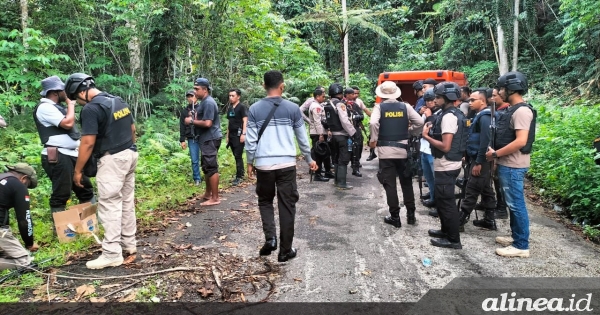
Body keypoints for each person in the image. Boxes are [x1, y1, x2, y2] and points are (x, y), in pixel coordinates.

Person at [65, 73, 138, 269]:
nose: (77, 102)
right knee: (126, 202)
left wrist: (78, 171)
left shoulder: (91, 108)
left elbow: (87, 142)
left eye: (75, 99)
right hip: (129, 154)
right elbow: (132, 129)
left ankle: (112, 253)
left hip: (112, 160)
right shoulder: (117, 100)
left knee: (109, 205)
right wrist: (130, 149)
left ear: (82, 92)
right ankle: (129, 244)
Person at [245, 70, 317, 262]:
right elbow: (302, 138)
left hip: (264, 166)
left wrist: (250, 162)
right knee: (287, 206)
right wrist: (309, 159)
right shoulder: (293, 108)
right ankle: (285, 250)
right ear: (282, 86)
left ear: (263, 86)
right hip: (286, 164)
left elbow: (251, 141)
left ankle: (270, 238)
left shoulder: (254, 109)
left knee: (265, 201)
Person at [486, 71, 536, 258]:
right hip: (508, 163)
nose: (499, 92)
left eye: (501, 89)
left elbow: (521, 141)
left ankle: (521, 245)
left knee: (516, 205)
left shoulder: (522, 111)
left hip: (514, 165)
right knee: (512, 203)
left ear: (511, 89)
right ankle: (517, 237)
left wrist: (495, 154)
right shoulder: (513, 109)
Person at [33, 76, 95, 222]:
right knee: (61, 193)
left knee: (85, 188)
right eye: (63, 90)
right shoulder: (44, 107)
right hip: (58, 155)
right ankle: (62, 230)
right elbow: (67, 123)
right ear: (54, 92)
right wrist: (71, 104)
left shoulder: (57, 107)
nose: (66, 92)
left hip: (72, 154)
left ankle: (90, 224)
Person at [370, 81, 424, 227]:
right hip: (403, 151)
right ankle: (411, 215)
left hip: (386, 153)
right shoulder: (405, 106)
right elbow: (419, 122)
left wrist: (373, 140)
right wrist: (409, 132)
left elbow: (373, 123)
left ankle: (395, 217)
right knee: (406, 183)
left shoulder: (379, 107)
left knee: (390, 184)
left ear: (381, 94)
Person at [422, 82, 468, 249]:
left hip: (447, 165)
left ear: (447, 98)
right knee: (442, 202)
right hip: (448, 164)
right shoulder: (451, 113)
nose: (435, 100)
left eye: (438, 97)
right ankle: (445, 231)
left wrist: (426, 136)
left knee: (447, 204)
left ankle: (453, 239)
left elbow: (445, 146)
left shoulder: (449, 117)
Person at [458, 89, 497, 231]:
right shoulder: (480, 115)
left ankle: (460, 220)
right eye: (469, 100)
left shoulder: (485, 116)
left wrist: (479, 162)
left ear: (483, 101)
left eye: (473, 100)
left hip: (481, 159)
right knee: (486, 189)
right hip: (477, 157)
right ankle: (489, 220)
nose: (469, 103)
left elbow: (486, 141)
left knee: (472, 188)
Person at [189, 78, 223, 206]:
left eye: (197, 89)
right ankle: (208, 194)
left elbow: (208, 123)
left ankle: (215, 198)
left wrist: (191, 121)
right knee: (206, 166)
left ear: (205, 89)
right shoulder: (203, 102)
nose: (195, 91)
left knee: (211, 166)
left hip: (210, 138)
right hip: (206, 138)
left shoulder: (208, 102)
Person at [0, 164, 38, 270]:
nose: (26, 188)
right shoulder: (17, 184)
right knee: (25, 262)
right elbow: (24, 219)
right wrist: (29, 243)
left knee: (5, 255)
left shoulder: (2, 180)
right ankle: (23, 264)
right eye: (27, 185)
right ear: (24, 178)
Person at [323, 83, 357, 189]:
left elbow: (324, 121)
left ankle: (337, 181)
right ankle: (342, 183)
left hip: (333, 136)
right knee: (343, 159)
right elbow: (345, 121)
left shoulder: (328, 104)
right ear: (340, 93)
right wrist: (353, 133)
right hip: (342, 136)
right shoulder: (340, 104)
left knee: (336, 158)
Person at [420, 88, 439, 210]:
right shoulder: (426, 112)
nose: (429, 103)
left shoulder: (441, 113)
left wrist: (429, 117)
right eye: (426, 100)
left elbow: (433, 131)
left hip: (434, 150)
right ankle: (433, 198)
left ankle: (439, 204)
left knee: (437, 179)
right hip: (424, 148)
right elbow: (419, 127)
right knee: (429, 178)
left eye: (431, 100)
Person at [308, 88, 333, 182]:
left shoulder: (319, 105)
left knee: (325, 153)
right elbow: (317, 121)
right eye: (322, 96)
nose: (324, 98)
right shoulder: (315, 106)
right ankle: (317, 174)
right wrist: (321, 134)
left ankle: (327, 171)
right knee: (318, 154)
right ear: (317, 96)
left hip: (320, 132)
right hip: (317, 133)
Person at [226, 88, 248, 186]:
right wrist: (227, 136)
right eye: (230, 96)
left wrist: (244, 134)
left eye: (233, 96)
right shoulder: (230, 108)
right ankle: (240, 173)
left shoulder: (242, 107)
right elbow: (229, 122)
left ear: (238, 97)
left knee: (238, 155)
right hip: (231, 135)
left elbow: (245, 121)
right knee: (235, 155)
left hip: (239, 135)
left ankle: (240, 176)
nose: (231, 97)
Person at [179, 89, 202, 186]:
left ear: (196, 96)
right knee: (194, 159)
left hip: (202, 136)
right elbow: (182, 126)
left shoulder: (202, 108)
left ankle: (209, 175)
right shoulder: (185, 111)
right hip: (192, 137)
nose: (190, 98)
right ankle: (197, 178)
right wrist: (182, 140)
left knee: (206, 157)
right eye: (188, 96)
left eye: (191, 96)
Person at [344, 88, 365, 177]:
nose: (354, 96)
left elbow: (361, 116)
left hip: (355, 128)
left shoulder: (354, 105)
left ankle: (355, 168)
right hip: (344, 130)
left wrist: (355, 117)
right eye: (352, 94)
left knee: (357, 147)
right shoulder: (341, 104)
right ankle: (342, 170)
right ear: (347, 95)